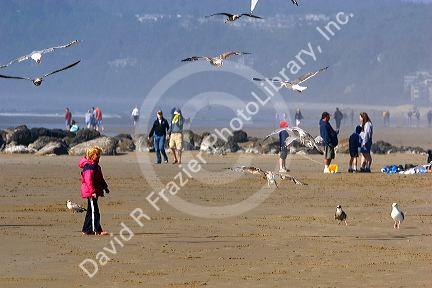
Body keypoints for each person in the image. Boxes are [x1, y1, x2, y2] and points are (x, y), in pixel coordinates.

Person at [79, 146, 110, 235]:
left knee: (90, 210)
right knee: (94, 211)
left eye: (99, 155)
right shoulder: (89, 167)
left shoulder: (96, 166)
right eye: (97, 155)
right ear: (91, 156)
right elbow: (88, 181)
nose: (99, 157)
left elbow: (100, 178)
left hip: (94, 191)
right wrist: (92, 192)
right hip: (90, 192)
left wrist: (105, 187)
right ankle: (96, 230)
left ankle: (86, 229)